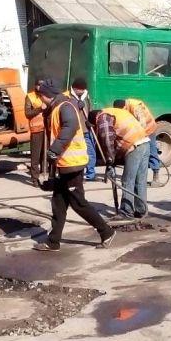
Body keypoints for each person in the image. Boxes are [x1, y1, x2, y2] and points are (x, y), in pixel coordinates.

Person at [33, 80, 115, 251]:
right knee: (58, 203)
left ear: (47, 96)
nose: (40, 101)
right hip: (65, 163)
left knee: (78, 203)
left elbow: (70, 127)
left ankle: (106, 232)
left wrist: (55, 150)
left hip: (73, 164)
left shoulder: (64, 107)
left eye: (41, 97)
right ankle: (53, 241)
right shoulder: (58, 107)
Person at [90, 105, 149, 218]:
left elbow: (107, 140)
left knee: (128, 181)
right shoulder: (114, 112)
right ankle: (141, 210)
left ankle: (126, 212)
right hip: (145, 142)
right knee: (140, 180)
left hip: (134, 145)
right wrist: (114, 159)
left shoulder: (102, 117)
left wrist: (110, 160)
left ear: (94, 119)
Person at [113, 98, 163, 187]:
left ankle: (156, 176)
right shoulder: (126, 107)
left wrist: (137, 137)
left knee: (151, 152)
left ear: (124, 107)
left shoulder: (135, 107)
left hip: (148, 129)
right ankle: (136, 176)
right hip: (138, 131)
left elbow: (142, 123)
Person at [65, 77, 95, 181]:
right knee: (75, 153)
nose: (82, 91)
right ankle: (75, 173)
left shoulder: (86, 97)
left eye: (83, 89)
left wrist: (89, 121)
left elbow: (90, 109)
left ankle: (90, 174)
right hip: (75, 130)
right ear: (75, 89)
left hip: (86, 129)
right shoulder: (67, 96)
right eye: (80, 89)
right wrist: (77, 106)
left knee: (90, 152)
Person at [25, 78, 46, 187]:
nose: (41, 87)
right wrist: (40, 109)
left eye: (42, 85)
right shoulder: (30, 97)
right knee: (35, 156)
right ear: (35, 85)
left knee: (46, 154)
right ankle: (35, 178)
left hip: (47, 129)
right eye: (39, 85)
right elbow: (27, 113)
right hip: (36, 130)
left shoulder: (46, 95)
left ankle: (45, 174)